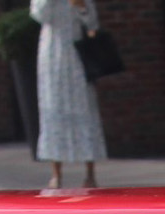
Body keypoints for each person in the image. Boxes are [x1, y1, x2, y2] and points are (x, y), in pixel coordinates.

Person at [31, 0, 107, 190]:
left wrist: (81, 6)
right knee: (53, 108)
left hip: (77, 53)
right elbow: (39, 15)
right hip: (52, 52)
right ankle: (56, 173)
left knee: (85, 108)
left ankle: (90, 173)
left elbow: (92, 23)